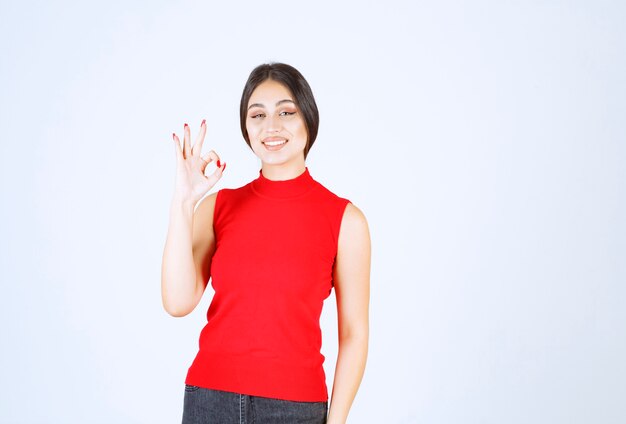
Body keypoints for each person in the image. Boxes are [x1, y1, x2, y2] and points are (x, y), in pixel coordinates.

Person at [161, 63, 371, 424]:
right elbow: (177, 302)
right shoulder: (217, 207)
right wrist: (183, 202)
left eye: (286, 112)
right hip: (210, 401)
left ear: (308, 118)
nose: (271, 127)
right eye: (257, 115)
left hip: (295, 409)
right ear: (246, 127)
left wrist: (336, 421)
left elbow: (353, 334)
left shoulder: (346, 221)